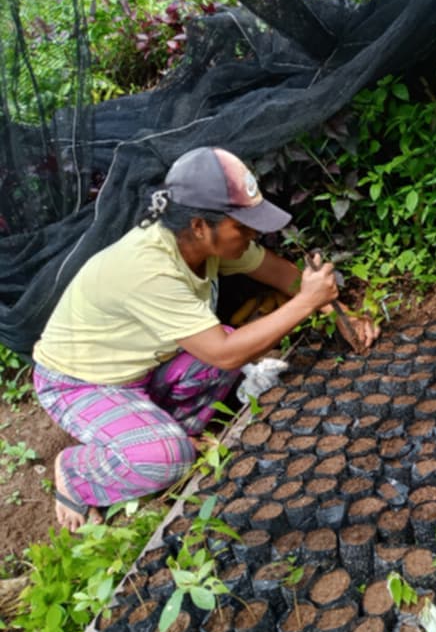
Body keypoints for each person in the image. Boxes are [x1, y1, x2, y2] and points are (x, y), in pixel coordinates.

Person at [32, 147, 379, 532]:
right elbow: (226, 355)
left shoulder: (198, 245)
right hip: (79, 384)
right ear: (200, 225)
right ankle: (78, 472)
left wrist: (337, 312)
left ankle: (158, 430)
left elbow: (282, 276)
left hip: (142, 372)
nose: (254, 233)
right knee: (170, 458)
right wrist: (308, 302)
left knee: (234, 341)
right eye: (242, 225)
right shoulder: (150, 269)